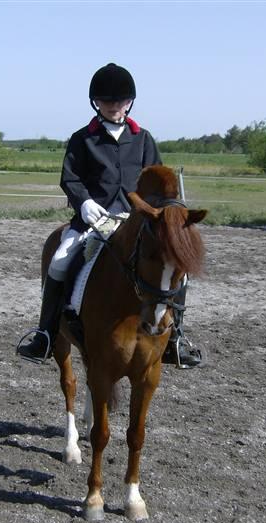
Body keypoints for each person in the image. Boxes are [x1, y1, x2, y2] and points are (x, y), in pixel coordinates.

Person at [16, 62, 203, 368]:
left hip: (136, 222)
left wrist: (156, 211)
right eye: (107, 102)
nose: (114, 107)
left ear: (129, 102)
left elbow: (157, 183)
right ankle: (45, 335)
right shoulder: (82, 139)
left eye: (120, 101)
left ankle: (176, 338)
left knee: (174, 267)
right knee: (61, 258)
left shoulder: (143, 139)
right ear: (96, 103)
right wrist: (84, 203)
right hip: (92, 220)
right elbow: (70, 178)